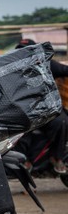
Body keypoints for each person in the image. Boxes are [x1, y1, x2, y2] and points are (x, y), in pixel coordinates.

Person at [14, 38, 68, 174]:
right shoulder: (11, 69)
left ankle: (56, 157)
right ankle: (24, 160)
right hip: (24, 110)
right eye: (21, 50)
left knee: (61, 122)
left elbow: (64, 70)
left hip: (48, 110)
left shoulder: (47, 64)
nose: (24, 53)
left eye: (28, 50)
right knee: (19, 129)